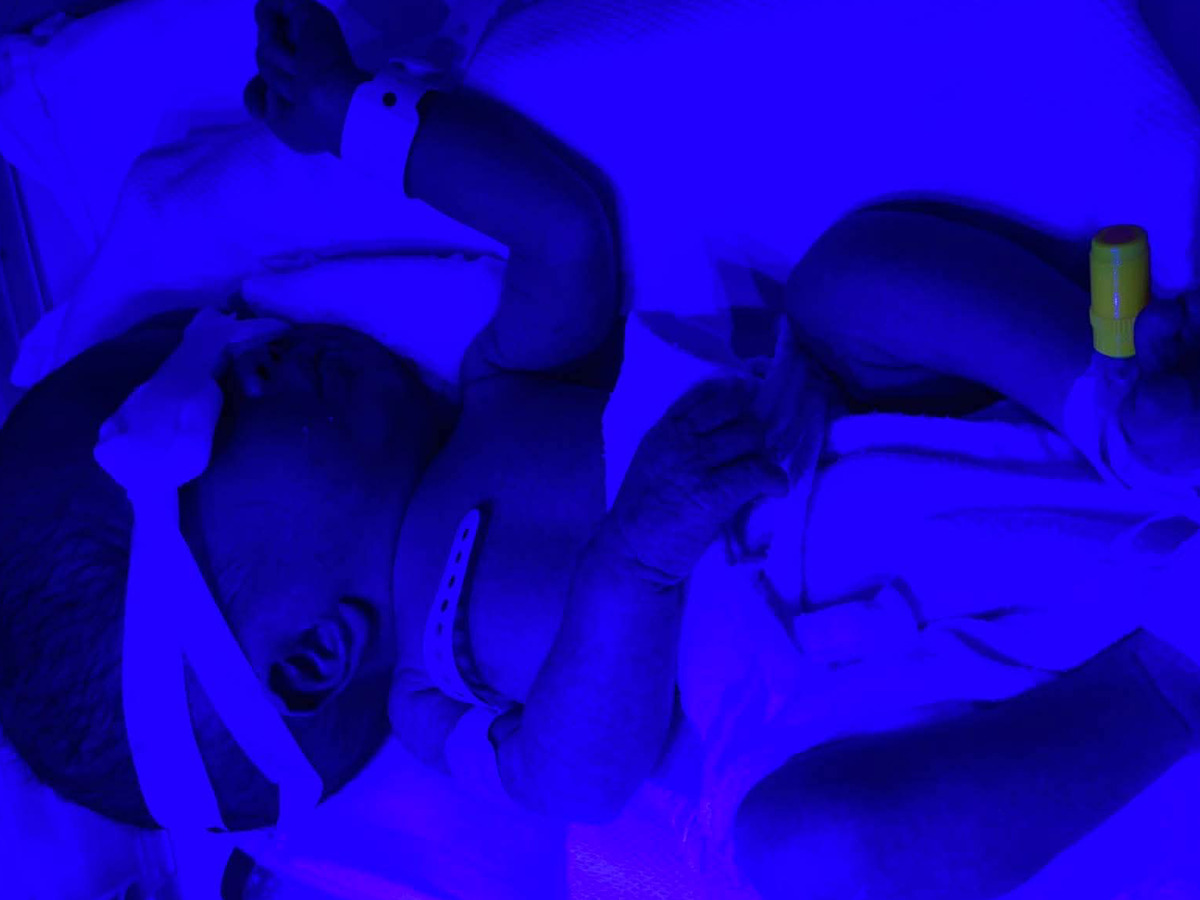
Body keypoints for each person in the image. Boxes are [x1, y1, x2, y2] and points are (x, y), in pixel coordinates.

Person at [1, 4, 1199, 900]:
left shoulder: (503, 390)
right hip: (855, 675)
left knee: (859, 272)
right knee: (812, 856)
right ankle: (1169, 673)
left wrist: (359, 123)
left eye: (216, 345)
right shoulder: (436, 695)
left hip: (872, 436)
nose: (249, 351)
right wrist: (635, 561)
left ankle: (1118, 410)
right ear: (313, 656)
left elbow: (560, 228)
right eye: (209, 418)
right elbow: (582, 776)